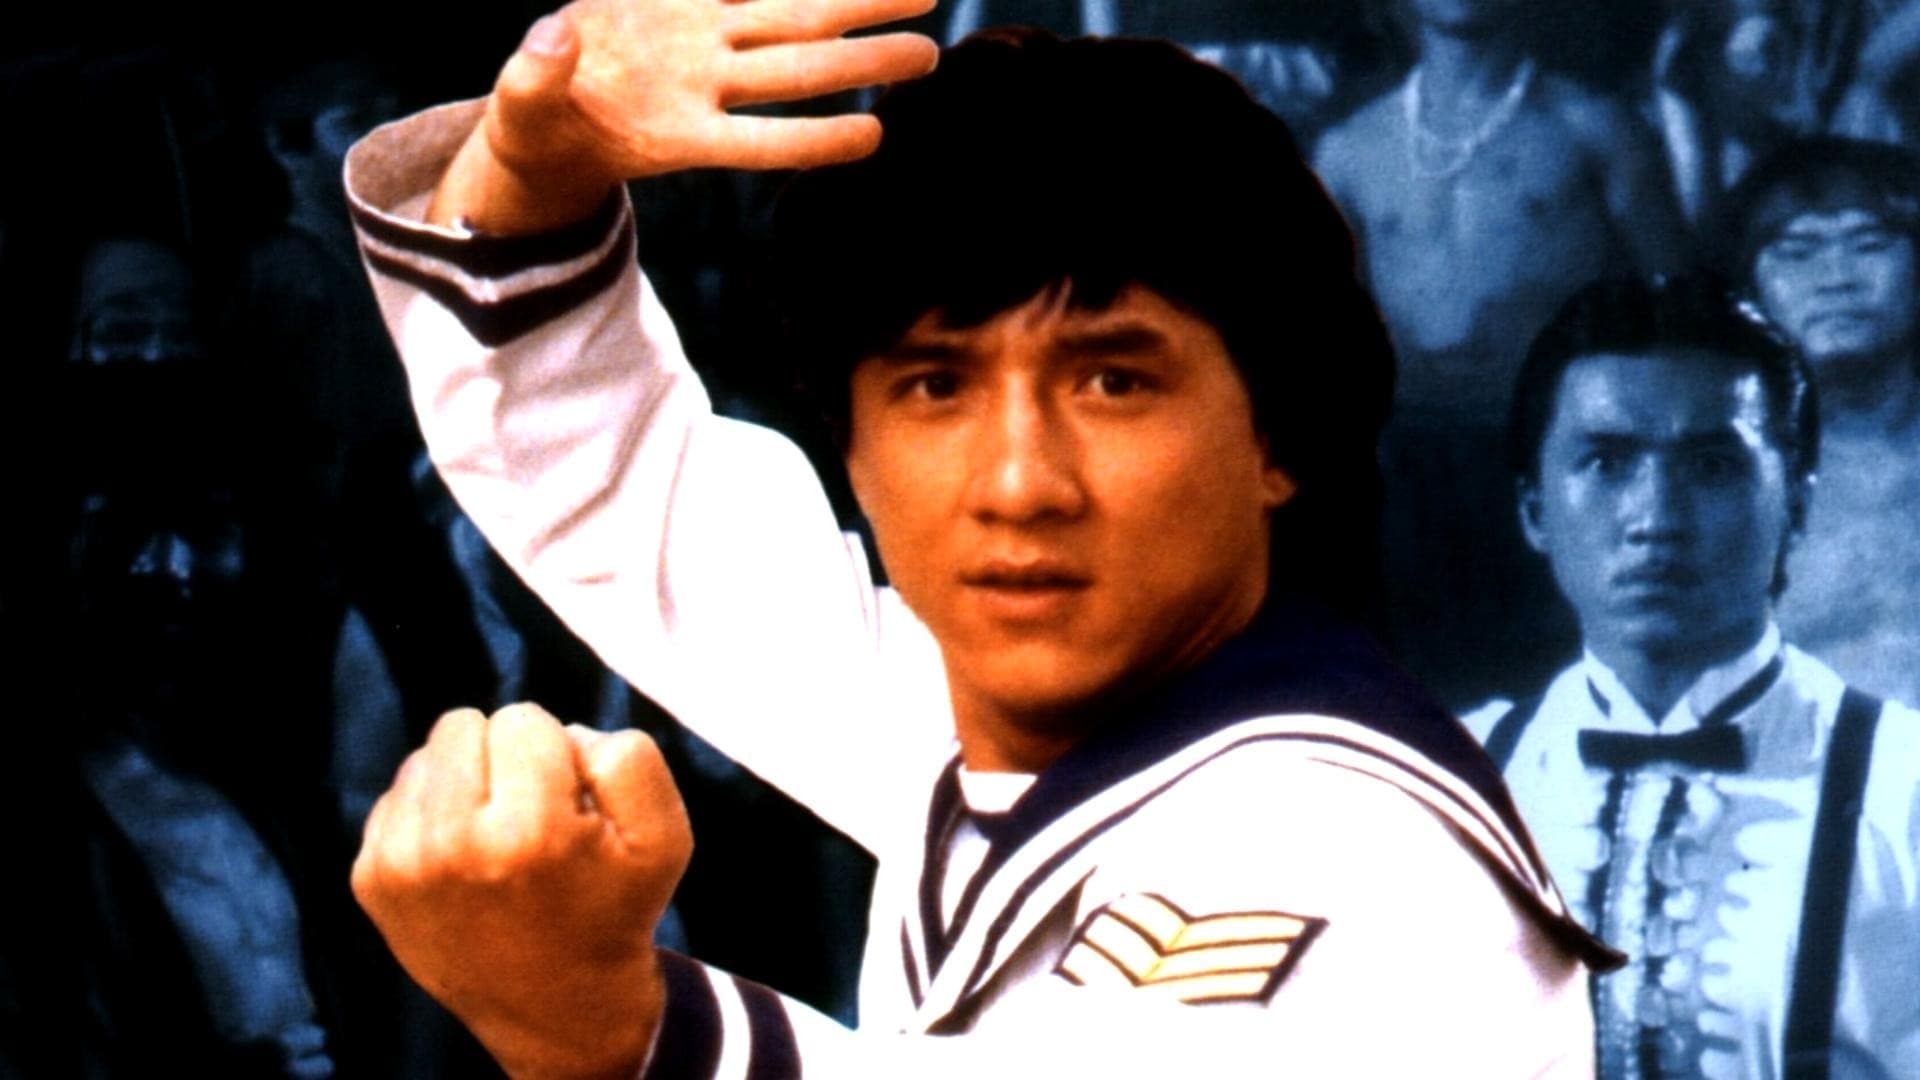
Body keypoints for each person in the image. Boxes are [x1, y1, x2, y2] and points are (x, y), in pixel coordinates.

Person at [344, 6, 1616, 1077]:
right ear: (852, 448)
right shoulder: (1012, 729)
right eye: (936, 386)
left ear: (1277, 436)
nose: (1018, 484)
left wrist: (613, 1026)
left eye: (1113, 382)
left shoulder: (1349, 848)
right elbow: (617, 484)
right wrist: (532, 173)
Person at [1467, 276, 1920, 1079]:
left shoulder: (1903, 786)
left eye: (1711, 466)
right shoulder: (1451, 780)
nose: (1656, 517)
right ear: (1535, 509)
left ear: (1797, 506)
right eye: (1607, 463)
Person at [1312, 0, 1691, 707]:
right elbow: (1322, 336)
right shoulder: (1350, 149)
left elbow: (1680, 305)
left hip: (1554, 452)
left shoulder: (1594, 127)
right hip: (1411, 470)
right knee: (1430, 690)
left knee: (1560, 683)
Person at [1721, 135, 1920, 707]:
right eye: (1797, 251)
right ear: (1752, 287)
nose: (1837, 278)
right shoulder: (1721, 479)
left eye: (1869, 244)